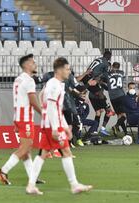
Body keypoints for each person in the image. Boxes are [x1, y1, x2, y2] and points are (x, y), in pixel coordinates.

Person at [26, 57, 92, 195]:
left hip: (51, 123)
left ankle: (31, 185)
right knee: (65, 152)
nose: (69, 72)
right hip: (52, 125)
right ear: (60, 70)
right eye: (67, 69)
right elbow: (50, 106)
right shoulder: (53, 85)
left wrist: (65, 126)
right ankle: (74, 185)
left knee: (43, 154)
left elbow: (56, 107)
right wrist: (57, 127)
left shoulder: (57, 84)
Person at [0, 54, 42, 185]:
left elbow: (19, 99)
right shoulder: (29, 80)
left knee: (26, 149)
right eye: (33, 63)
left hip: (19, 117)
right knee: (26, 147)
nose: (35, 64)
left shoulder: (18, 80)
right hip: (25, 118)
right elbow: (32, 100)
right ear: (26, 65)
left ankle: (32, 176)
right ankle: (3, 171)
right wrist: (44, 113)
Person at [82, 51, 115, 136]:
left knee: (98, 112)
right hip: (90, 79)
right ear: (109, 57)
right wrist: (107, 82)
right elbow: (105, 76)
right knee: (102, 97)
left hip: (87, 78)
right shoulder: (106, 64)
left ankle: (95, 130)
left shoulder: (98, 60)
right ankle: (107, 109)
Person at [108, 62, 128, 136]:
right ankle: (116, 126)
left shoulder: (108, 74)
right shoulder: (121, 73)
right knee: (124, 116)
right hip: (120, 95)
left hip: (112, 97)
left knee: (119, 115)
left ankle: (125, 132)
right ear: (119, 67)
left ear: (112, 66)